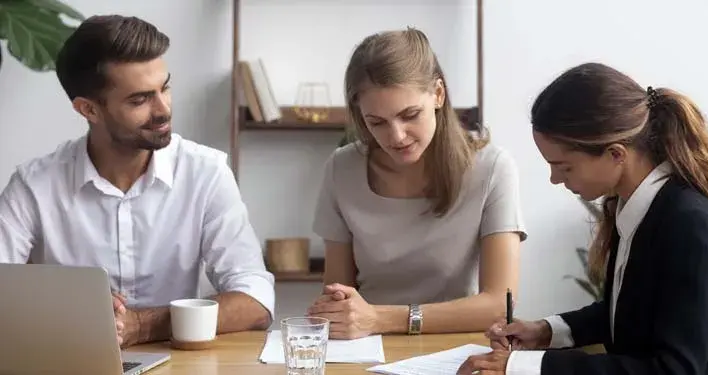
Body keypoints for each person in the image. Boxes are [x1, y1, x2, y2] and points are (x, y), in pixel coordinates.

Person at [0, 15, 275, 348]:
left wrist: (143, 326)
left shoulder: (206, 173)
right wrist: (70, 313)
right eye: (140, 99)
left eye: (165, 87)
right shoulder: (33, 187)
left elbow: (255, 300)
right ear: (89, 109)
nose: (163, 110)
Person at [458, 62, 708, 375]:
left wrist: (528, 366)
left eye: (564, 167)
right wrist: (546, 330)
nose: (555, 179)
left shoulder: (690, 224)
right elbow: (628, 313)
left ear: (616, 154)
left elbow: (674, 369)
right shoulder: (632, 205)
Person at [306, 28, 527, 340]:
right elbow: (339, 295)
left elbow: (499, 306)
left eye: (410, 115)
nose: (396, 137)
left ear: (438, 94)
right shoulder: (342, 168)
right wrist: (346, 316)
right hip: (365, 347)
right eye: (376, 122)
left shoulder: (492, 169)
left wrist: (382, 319)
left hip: (454, 348)